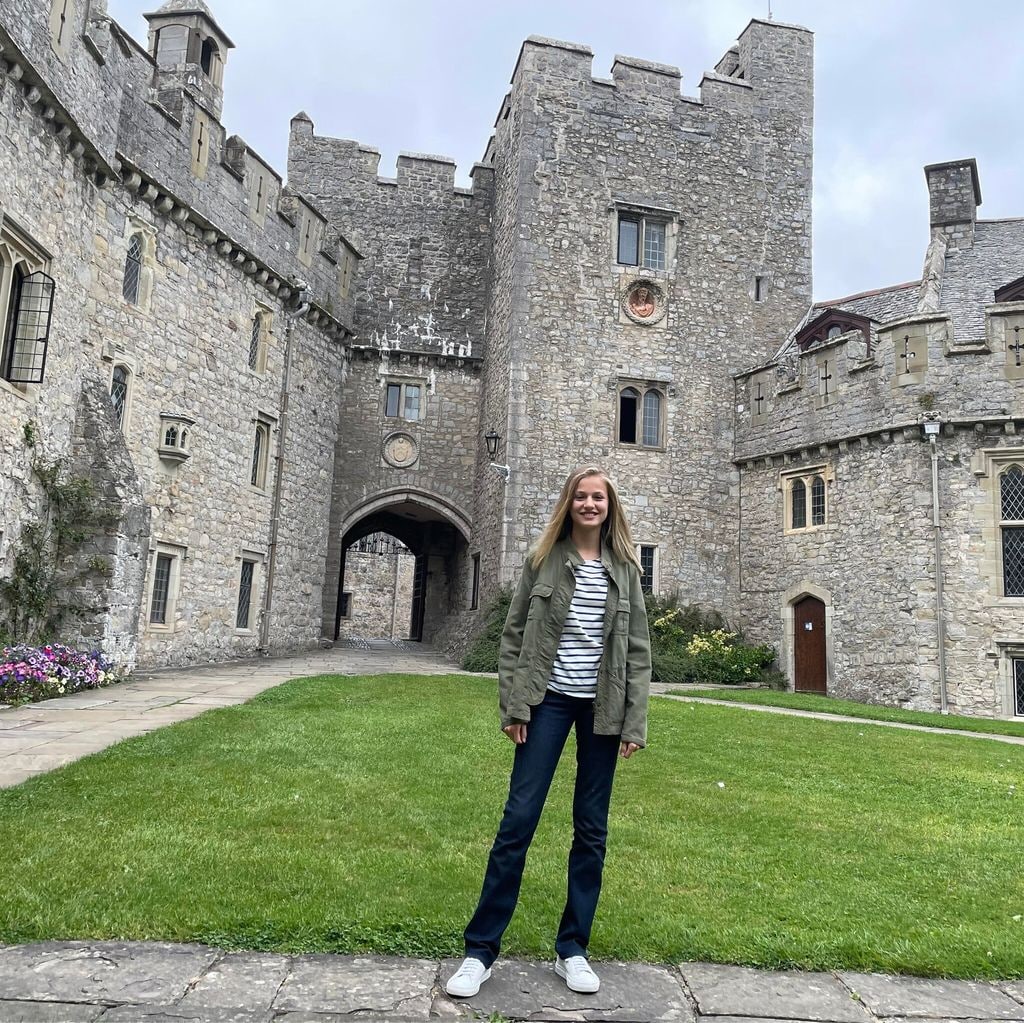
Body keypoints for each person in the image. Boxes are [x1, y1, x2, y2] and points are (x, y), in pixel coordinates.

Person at [446, 466, 651, 998]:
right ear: (569, 504)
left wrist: (634, 721)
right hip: (546, 703)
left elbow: (638, 653)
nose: (589, 505)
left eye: (598, 498)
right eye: (581, 497)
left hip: (602, 710)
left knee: (591, 830)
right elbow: (514, 638)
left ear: (610, 506)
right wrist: (514, 706)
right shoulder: (543, 561)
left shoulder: (626, 568)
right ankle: (480, 951)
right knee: (518, 821)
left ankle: (573, 949)